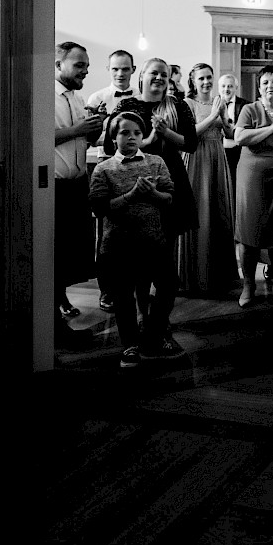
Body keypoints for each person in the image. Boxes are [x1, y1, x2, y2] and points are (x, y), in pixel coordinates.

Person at [105, 58, 197, 357]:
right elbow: (110, 146)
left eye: (164, 74)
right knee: (137, 262)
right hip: (134, 186)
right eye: (153, 73)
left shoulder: (177, 105)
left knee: (163, 257)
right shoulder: (127, 105)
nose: (158, 78)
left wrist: (167, 134)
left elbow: (191, 143)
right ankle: (142, 320)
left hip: (169, 185)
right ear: (142, 76)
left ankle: (159, 324)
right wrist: (150, 138)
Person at [88, 111, 174, 368]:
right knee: (124, 297)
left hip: (153, 241)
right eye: (125, 132)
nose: (132, 137)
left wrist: (154, 194)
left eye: (137, 132)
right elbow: (100, 208)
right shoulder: (104, 169)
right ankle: (130, 346)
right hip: (119, 246)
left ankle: (153, 334)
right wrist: (133, 195)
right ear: (114, 137)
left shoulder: (156, 162)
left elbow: (169, 198)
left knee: (168, 287)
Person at [53, 42, 103, 342]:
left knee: (71, 253)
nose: (85, 70)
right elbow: (34, 137)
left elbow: (84, 140)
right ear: (59, 64)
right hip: (54, 187)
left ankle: (61, 303)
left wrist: (95, 129)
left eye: (86, 65)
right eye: (79, 65)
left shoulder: (78, 97)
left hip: (77, 185)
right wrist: (77, 130)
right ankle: (55, 327)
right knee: (55, 253)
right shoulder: (45, 95)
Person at [234, 65, 273, 307]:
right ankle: (248, 285)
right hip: (251, 178)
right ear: (259, 88)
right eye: (266, 82)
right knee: (249, 234)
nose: (271, 86)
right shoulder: (249, 109)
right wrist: (272, 127)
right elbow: (240, 138)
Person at [87, 49, 139, 313]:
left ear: (133, 69)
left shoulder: (140, 98)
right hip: (108, 168)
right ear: (109, 70)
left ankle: (134, 288)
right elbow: (89, 136)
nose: (120, 74)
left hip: (137, 170)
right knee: (107, 235)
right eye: (115, 69)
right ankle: (106, 290)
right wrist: (111, 137)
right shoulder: (97, 98)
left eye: (125, 69)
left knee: (135, 230)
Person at [179, 62, 238, 294]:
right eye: (201, 78)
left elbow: (231, 133)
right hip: (196, 158)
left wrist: (223, 116)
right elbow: (189, 134)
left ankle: (219, 274)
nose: (206, 82)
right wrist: (213, 114)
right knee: (200, 211)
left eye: (209, 77)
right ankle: (196, 276)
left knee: (219, 212)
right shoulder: (187, 104)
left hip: (218, 158)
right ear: (193, 81)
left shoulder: (218, 102)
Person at [217, 73, 250, 197]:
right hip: (218, 150)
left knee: (236, 185)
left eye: (230, 86)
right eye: (223, 86)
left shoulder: (246, 105)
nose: (226, 89)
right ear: (219, 88)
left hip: (238, 151)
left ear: (236, 88)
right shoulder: (211, 104)